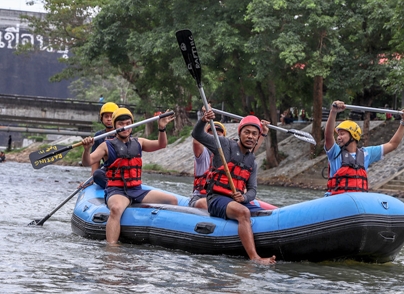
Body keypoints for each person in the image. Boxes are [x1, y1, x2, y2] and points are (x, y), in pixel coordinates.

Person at [81, 107, 178, 244]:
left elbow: (161, 144)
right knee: (116, 209)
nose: (125, 127)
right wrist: (86, 150)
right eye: (121, 124)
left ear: (132, 124)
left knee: (172, 200)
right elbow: (88, 162)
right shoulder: (106, 146)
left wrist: (161, 128)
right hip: (117, 190)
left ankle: (167, 238)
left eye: (128, 123)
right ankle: (112, 250)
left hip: (136, 190)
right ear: (115, 126)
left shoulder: (139, 142)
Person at [192, 109, 276, 265]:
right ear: (240, 133)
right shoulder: (224, 145)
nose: (250, 136)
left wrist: (244, 197)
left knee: (265, 212)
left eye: (254, 134)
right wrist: (203, 120)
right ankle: (255, 258)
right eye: (247, 132)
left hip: (236, 200)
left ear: (258, 137)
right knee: (243, 212)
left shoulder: (252, 161)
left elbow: (252, 190)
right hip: (216, 199)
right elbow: (197, 135)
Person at [324, 100, 404, 195]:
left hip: (357, 202)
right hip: (335, 200)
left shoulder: (366, 153)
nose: (338, 137)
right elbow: (328, 136)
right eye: (338, 134)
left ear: (353, 135)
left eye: (342, 134)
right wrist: (333, 112)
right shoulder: (335, 152)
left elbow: (392, 144)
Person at [190, 121, 227, 209]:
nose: (215, 137)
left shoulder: (228, 156)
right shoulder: (203, 154)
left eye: (218, 134)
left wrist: (263, 133)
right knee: (205, 203)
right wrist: (204, 119)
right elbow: (196, 140)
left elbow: (249, 153)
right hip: (201, 197)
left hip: (220, 198)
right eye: (211, 135)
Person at [86, 102, 119, 189]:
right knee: (97, 173)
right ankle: (112, 186)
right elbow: (95, 160)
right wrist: (92, 178)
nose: (109, 119)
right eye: (106, 116)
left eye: (111, 116)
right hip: (107, 170)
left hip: (121, 170)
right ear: (102, 118)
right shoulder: (98, 136)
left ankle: (120, 187)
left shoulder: (123, 133)